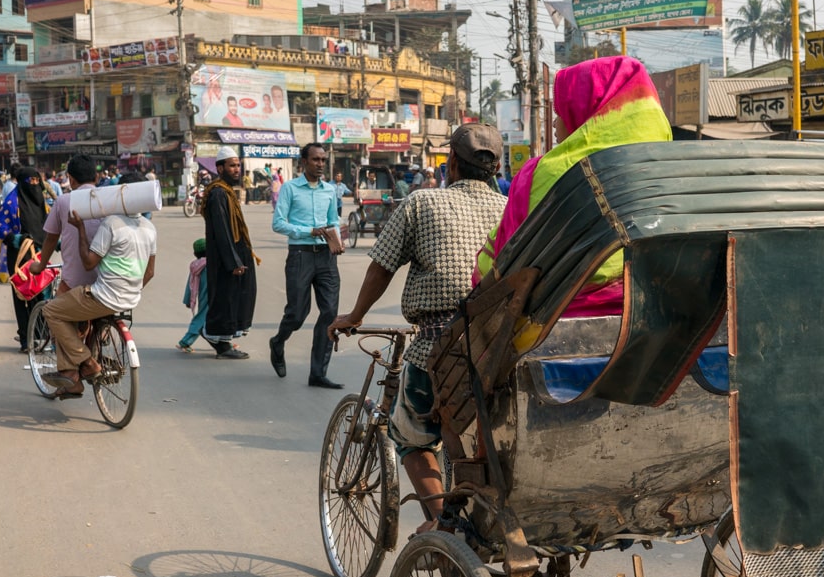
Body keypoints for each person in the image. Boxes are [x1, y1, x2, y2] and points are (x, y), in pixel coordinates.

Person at [329, 124, 506, 532]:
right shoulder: (510, 207)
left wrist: (354, 316)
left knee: (411, 434)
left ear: (452, 165)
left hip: (438, 347)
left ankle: (443, 521)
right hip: (498, 349)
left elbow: (382, 266)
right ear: (495, 168)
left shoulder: (421, 202)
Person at [476, 55, 671, 316]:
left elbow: (499, 262)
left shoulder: (544, 172)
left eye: (561, 112)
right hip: (659, 306)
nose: (555, 123)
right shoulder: (668, 166)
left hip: (557, 315)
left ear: (589, 113)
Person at [39, 172, 158, 395]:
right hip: (130, 298)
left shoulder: (112, 223)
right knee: (70, 311)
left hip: (103, 296)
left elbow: (88, 263)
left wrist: (81, 229)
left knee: (52, 311)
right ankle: (70, 373)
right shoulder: (149, 227)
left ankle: (86, 363)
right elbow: (149, 272)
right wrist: (128, 290)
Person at [269, 143, 344, 388]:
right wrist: (307, 231)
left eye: (323, 160)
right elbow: (278, 223)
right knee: (297, 314)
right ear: (304, 162)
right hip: (300, 254)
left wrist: (336, 241)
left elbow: (333, 219)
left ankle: (318, 373)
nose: (320, 164)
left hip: (326, 257)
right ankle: (278, 342)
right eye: (315, 160)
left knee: (330, 312)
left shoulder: (330, 190)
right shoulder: (290, 189)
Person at [30, 155, 103, 313]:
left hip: (74, 282)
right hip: (107, 281)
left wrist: (41, 265)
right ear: (96, 177)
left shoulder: (64, 202)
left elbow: (51, 238)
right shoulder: (109, 199)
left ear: (71, 179)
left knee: (53, 314)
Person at [201, 147, 256, 359]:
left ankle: (222, 339)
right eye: (232, 165)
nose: (236, 169)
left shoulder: (227, 191)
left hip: (236, 254)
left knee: (237, 297)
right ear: (220, 168)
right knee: (226, 299)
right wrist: (233, 262)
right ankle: (220, 342)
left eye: (238, 165)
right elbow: (223, 231)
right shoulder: (218, 193)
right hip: (227, 259)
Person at [0, 165, 50, 351]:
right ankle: (26, 339)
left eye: (36, 181)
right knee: (22, 295)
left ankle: (40, 333)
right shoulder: (12, 202)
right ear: (22, 182)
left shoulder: (42, 201)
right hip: (18, 255)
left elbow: (48, 224)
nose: (34, 184)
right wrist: (14, 239)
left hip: (40, 253)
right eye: (30, 181)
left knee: (41, 292)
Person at [177, 238, 210, 352]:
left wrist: (188, 300)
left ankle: (224, 342)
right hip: (211, 298)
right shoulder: (210, 265)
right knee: (202, 319)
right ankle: (186, 341)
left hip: (203, 297)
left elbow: (190, 284)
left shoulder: (196, 265)